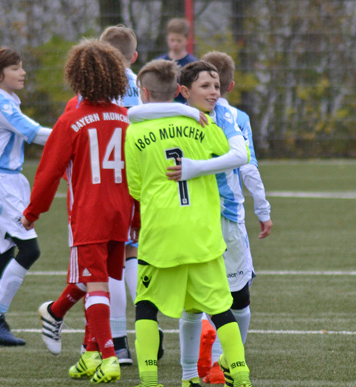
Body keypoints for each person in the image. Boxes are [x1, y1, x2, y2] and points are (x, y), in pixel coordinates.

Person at [125, 59, 252, 387]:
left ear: (144, 91)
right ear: (180, 91)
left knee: (146, 306)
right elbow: (230, 155)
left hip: (160, 233)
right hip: (202, 233)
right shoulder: (202, 124)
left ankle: (150, 379)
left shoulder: (135, 130)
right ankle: (241, 374)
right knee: (222, 309)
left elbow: (135, 188)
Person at [22, 39, 135, 384]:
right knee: (99, 282)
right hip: (123, 213)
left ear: (76, 77)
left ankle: (109, 356)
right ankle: (89, 353)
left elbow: (48, 174)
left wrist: (32, 213)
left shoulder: (71, 121)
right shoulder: (126, 118)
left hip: (90, 214)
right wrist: (139, 217)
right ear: (117, 76)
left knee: (94, 284)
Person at [193, 50, 273, 384]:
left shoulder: (182, 115)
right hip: (228, 213)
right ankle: (225, 359)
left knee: (200, 294)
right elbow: (248, 166)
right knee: (238, 293)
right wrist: (264, 209)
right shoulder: (234, 117)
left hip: (192, 215)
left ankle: (196, 361)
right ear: (232, 84)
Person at [0, 46, 52, 347]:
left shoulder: (4, 101)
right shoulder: (2, 104)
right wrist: (79, 132)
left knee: (5, 252)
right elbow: (33, 133)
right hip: (0, 183)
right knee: (29, 250)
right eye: (16, 68)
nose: (23, 73)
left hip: (4, 181)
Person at [155, 17, 198, 103]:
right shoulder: (159, 62)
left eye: (179, 41)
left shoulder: (193, 64)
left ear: (187, 40)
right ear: (167, 39)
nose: (175, 44)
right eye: (172, 40)